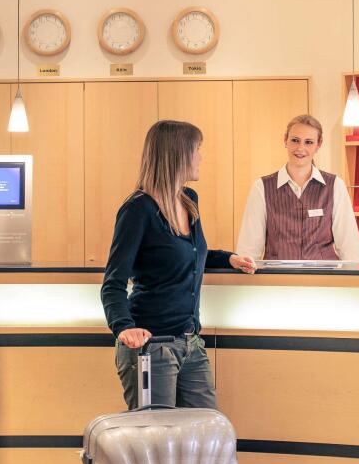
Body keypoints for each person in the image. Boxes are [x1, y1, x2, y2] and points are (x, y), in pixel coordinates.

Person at [101, 120, 255, 410]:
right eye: (197, 150)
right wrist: (123, 327)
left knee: (206, 428)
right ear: (178, 154)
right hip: (152, 346)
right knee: (158, 434)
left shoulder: (188, 200)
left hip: (190, 343)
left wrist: (229, 258)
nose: (201, 158)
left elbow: (192, 253)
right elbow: (113, 282)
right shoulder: (138, 209)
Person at [236, 114, 359, 263]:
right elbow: (249, 249)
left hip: (324, 276)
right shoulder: (262, 187)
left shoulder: (335, 186)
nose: (300, 148)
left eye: (309, 142)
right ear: (285, 140)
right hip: (277, 276)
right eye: (295, 140)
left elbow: (350, 247)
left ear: (319, 144)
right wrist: (244, 269)